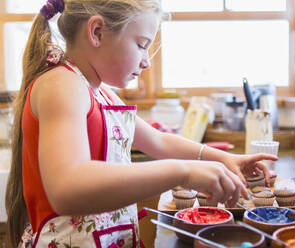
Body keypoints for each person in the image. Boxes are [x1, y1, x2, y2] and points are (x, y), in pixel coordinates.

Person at [5, 0, 277, 247]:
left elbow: (158, 141)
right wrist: (182, 171)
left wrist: (223, 158)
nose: (147, 61)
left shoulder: (98, 90)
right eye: (142, 44)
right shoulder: (61, 85)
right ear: (97, 32)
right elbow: (66, 190)